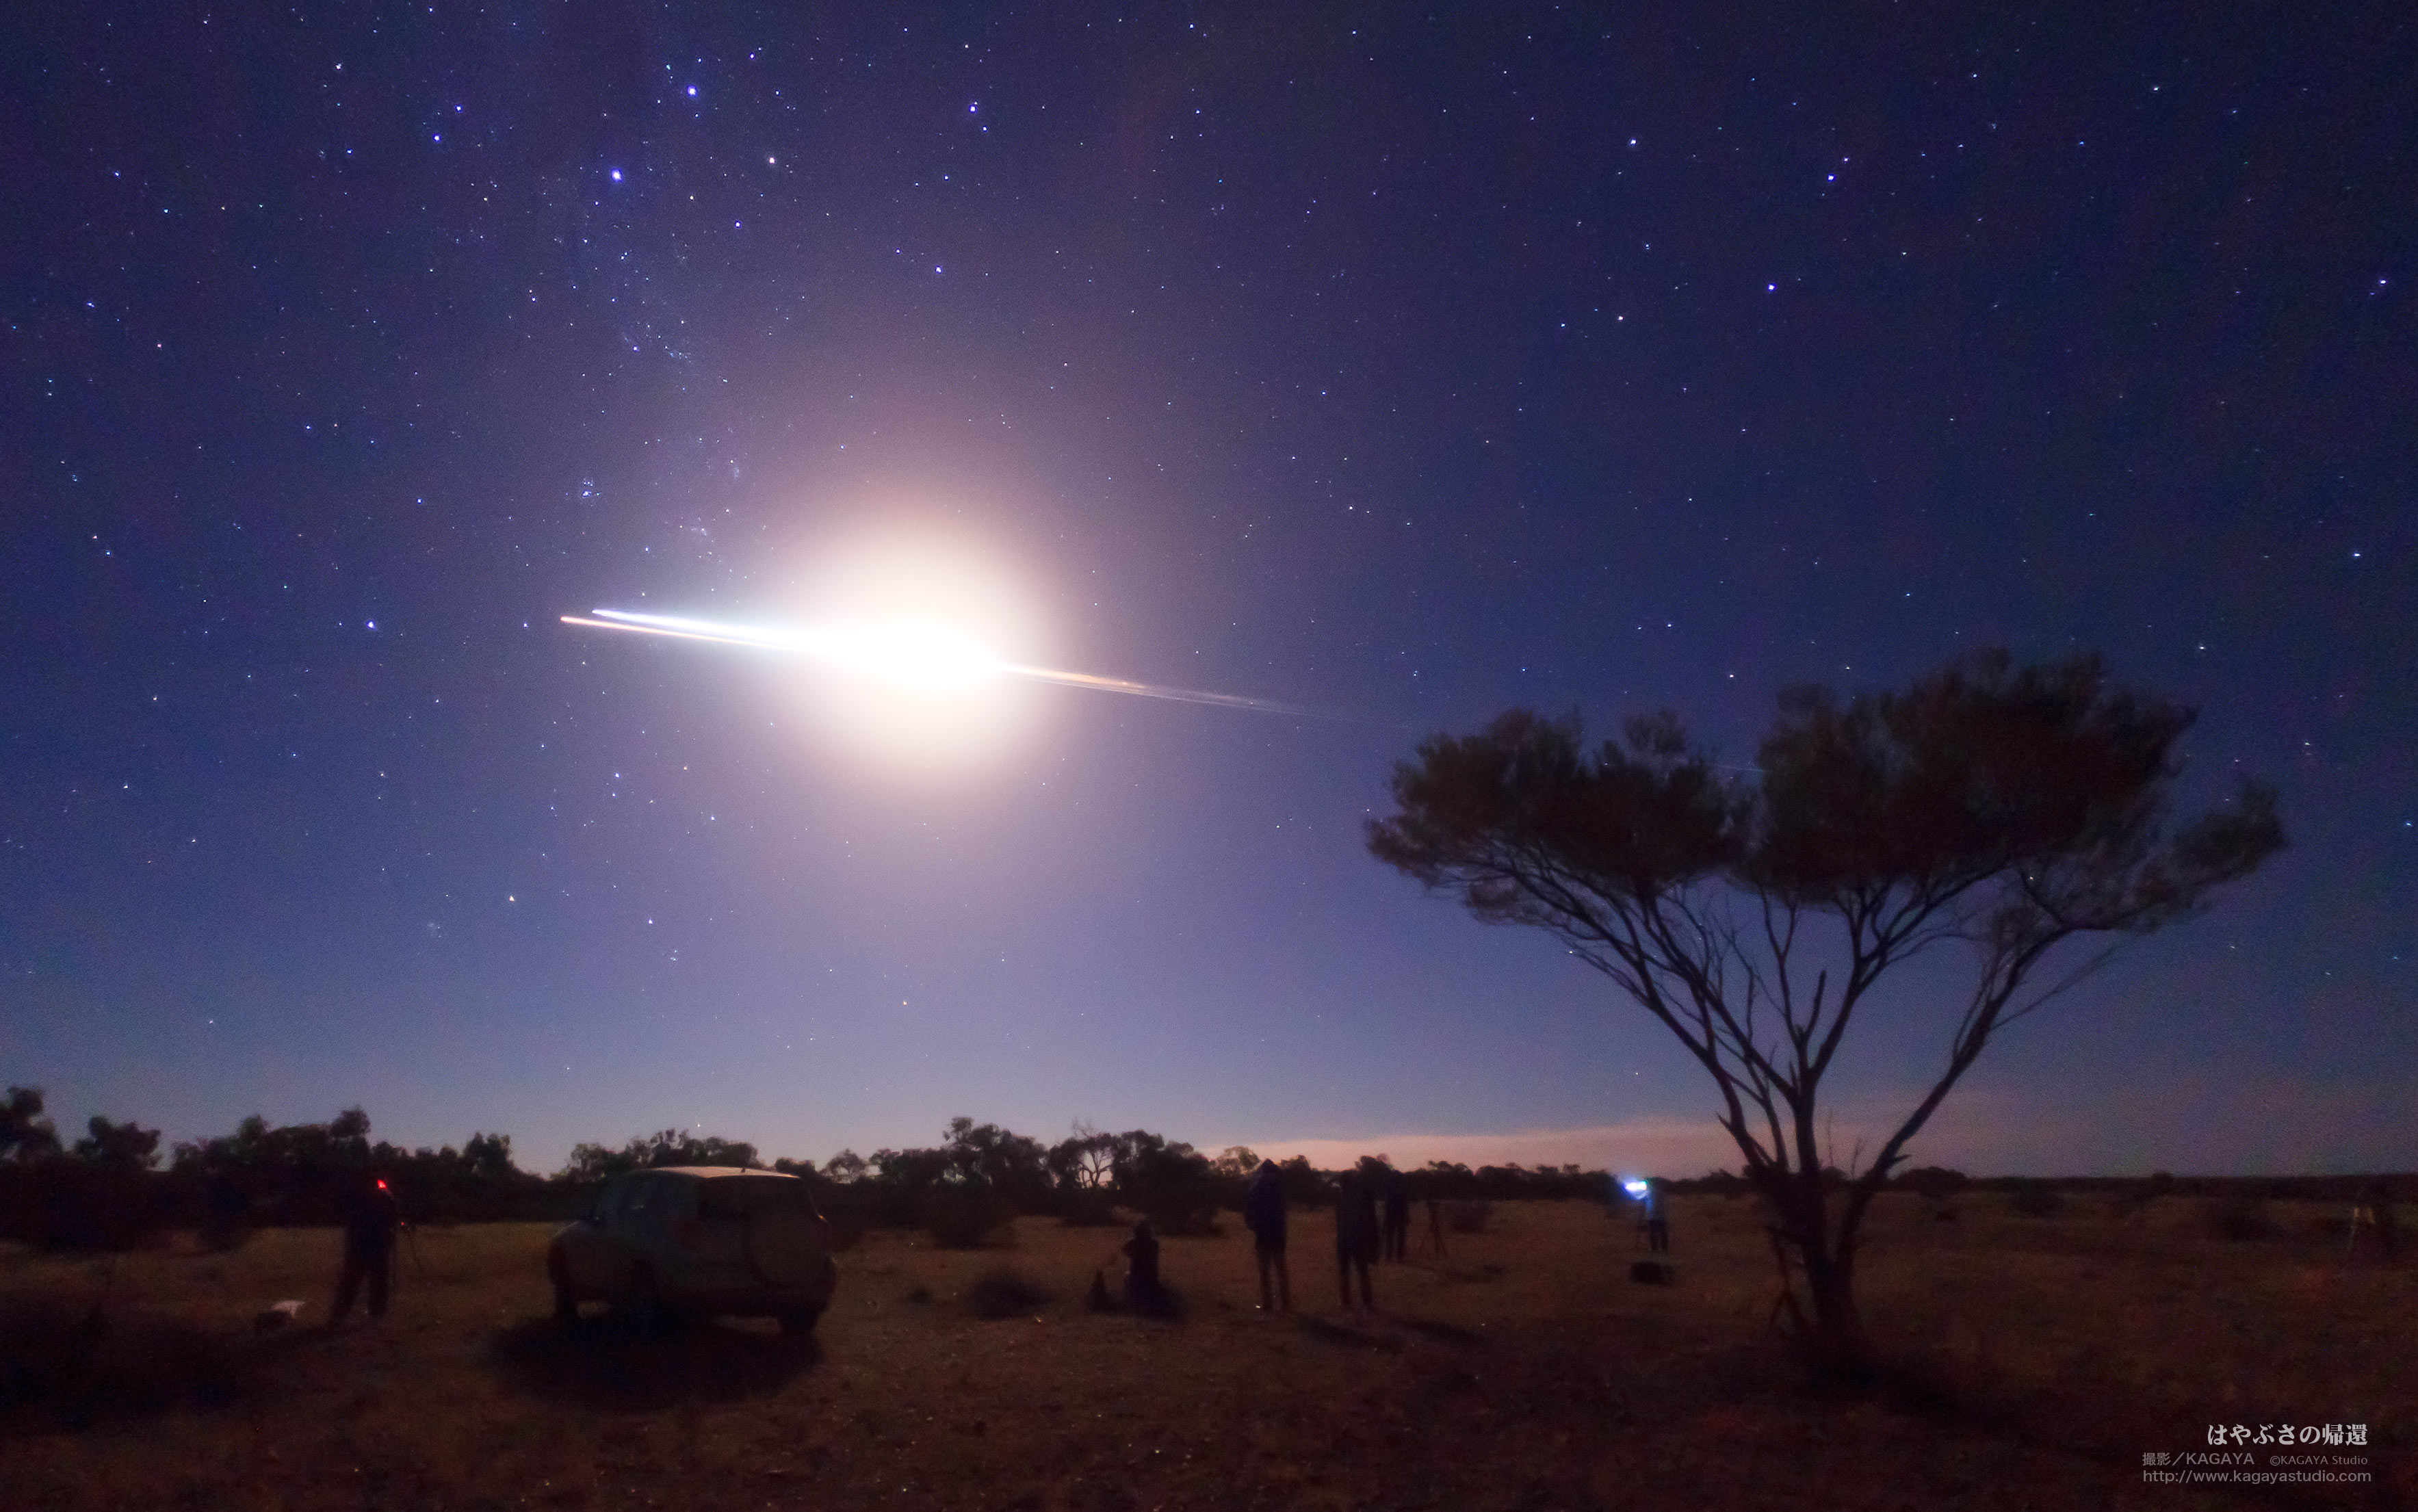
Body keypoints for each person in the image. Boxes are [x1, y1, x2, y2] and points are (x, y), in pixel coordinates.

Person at [328, 1171, 402, 1327]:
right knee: (354, 1281)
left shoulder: (380, 1199)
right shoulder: (366, 1199)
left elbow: (392, 1216)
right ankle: (342, 1314)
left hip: (371, 1246)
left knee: (374, 1281)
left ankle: (371, 1311)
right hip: (365, 1245)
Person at [1243, 1160, 1291, 1312]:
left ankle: (1268, 1303)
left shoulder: (1257, 1188)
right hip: (1277, 1234)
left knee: (1265, 1272)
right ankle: (1285, 1304)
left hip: (1263, 1234)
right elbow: (1283, 1211)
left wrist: (1252, 1225)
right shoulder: (1280, 1188)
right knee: (1280, 1270)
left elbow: (1249, 1209)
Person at [1334, 1171, 1379, 1309]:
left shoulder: (1341, 1197)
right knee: (1362, 1270)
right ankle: (1367, 1300)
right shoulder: (1359, 1196)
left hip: (1345, 1238)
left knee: (1344, 1271)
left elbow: (1340, 1219)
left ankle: (1345, 1300)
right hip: (1358, 1238)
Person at [1121, 1218, 1164, 1310]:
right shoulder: (1154, 1243)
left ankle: (1129, 1300)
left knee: (1127, 1276)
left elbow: (1124, 1250)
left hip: (1136, 1277)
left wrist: (1132, 1254)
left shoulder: (1133, 1242)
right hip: (1152, 1278)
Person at [1381, 1170, 1412, 1262]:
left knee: (1390, 1236)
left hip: (1391, 1214)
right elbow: (1405, 1203)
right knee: (1400, 1236)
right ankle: (1400, 1257)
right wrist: (1406, 1215)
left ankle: (1389, 1256)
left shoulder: (1389, 1188)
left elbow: (1387, 1203)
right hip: (1400, 1214)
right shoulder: (1402, 1188)